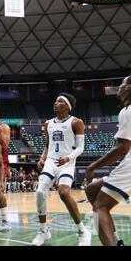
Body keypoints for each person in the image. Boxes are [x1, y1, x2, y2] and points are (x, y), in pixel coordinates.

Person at [32, 93, 91, 246]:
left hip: (67, 162)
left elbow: (80, 148)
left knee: (64, 193)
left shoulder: (76, 122)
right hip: (51, 161)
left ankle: (82, 231)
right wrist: (42, 158)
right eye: (56, 100)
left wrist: (68, 158)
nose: (55, 103)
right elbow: (47, 145)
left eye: (59, 101)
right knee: (39, 192)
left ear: (67, 106)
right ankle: (43, 231)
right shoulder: (48, 123)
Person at [85, 75, 131, 246]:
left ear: (129, 88)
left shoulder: (128, 111)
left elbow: (122, 148)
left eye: (122, 84)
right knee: (91, 190)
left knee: (100, 207)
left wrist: (93, 166)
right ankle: (116, 240)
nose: (119, 87)